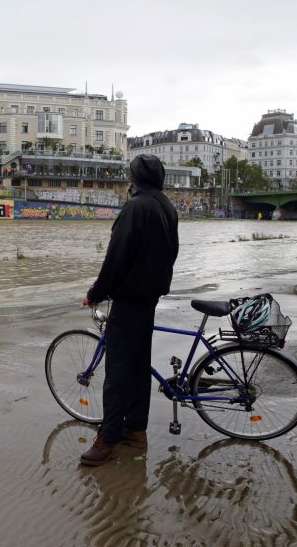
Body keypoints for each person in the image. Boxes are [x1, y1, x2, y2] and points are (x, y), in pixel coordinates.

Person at [80, 154, 179, 466]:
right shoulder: (166, 206)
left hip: (130, 299)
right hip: (149, 297)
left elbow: (117, 258)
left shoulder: (136, 207)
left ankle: (108, 439)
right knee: (138, 367)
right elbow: (172, 252)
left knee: (118, 372)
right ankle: (135, 430)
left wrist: (96, 293)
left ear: (134, 179)